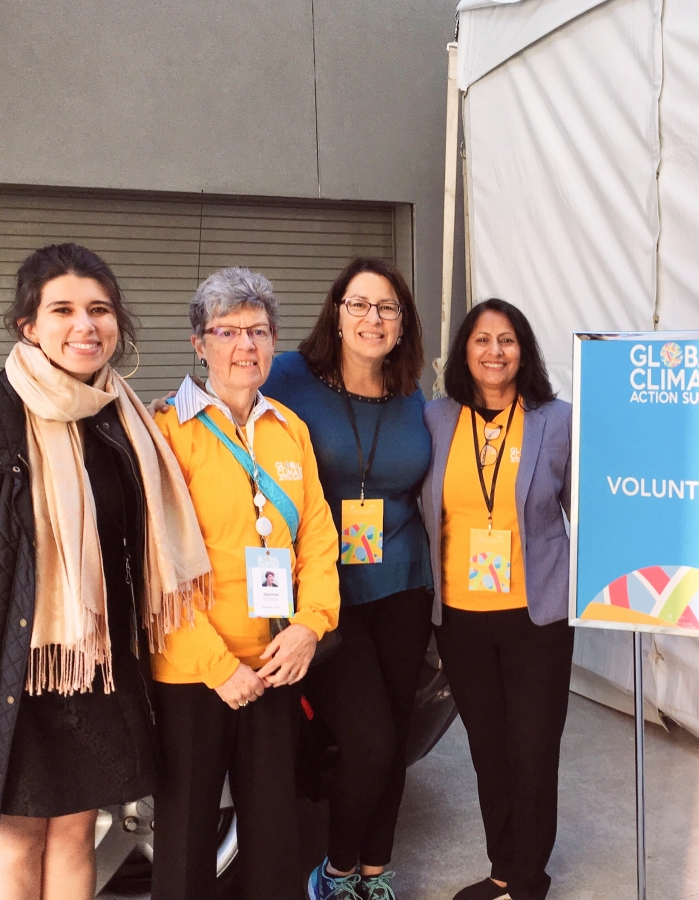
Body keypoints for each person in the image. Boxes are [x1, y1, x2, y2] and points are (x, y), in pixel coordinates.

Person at [0, 243, 212, 900]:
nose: (85, 325)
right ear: (28, 325)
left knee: (74, 831)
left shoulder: (120, 419)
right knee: (17, 839)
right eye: (62, 309)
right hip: (11, 679)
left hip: (93, 673)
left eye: (100, 309)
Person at [149, 267, 341, 900]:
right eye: (226, 330)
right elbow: (157, 566)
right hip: (195, 671)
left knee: (275, 832)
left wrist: (311, 625)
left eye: (257, 330)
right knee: (185, 837)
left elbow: (316, 536)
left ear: (275, 342)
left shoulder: (290, 429)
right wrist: (216, 664)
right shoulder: (164, 432)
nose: (244, 344)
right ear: (199, 345)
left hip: (275, 662)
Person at [261, 258, 431, 900]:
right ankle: (334, 871)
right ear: (336, 313)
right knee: (369, 742)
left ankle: (375, 871)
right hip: (324, 595)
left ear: (402, 323)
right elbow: (226, 416)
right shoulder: (288, 379)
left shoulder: (414, 393)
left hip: (404, 586)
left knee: (395, 741)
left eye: (386, 307)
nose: (372, 318)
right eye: (359, 304)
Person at [422, 299, 573, 900]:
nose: (493, 351)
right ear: (464, 351)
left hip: (537, 615)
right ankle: (504, 870)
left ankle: (528, 880)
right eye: (481, 340)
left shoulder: (556, 419)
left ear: (523, 350)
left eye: (506, 340)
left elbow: (590, 505)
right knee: (489, 750)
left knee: (533, 749)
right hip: (459, 616)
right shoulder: (436, 419)